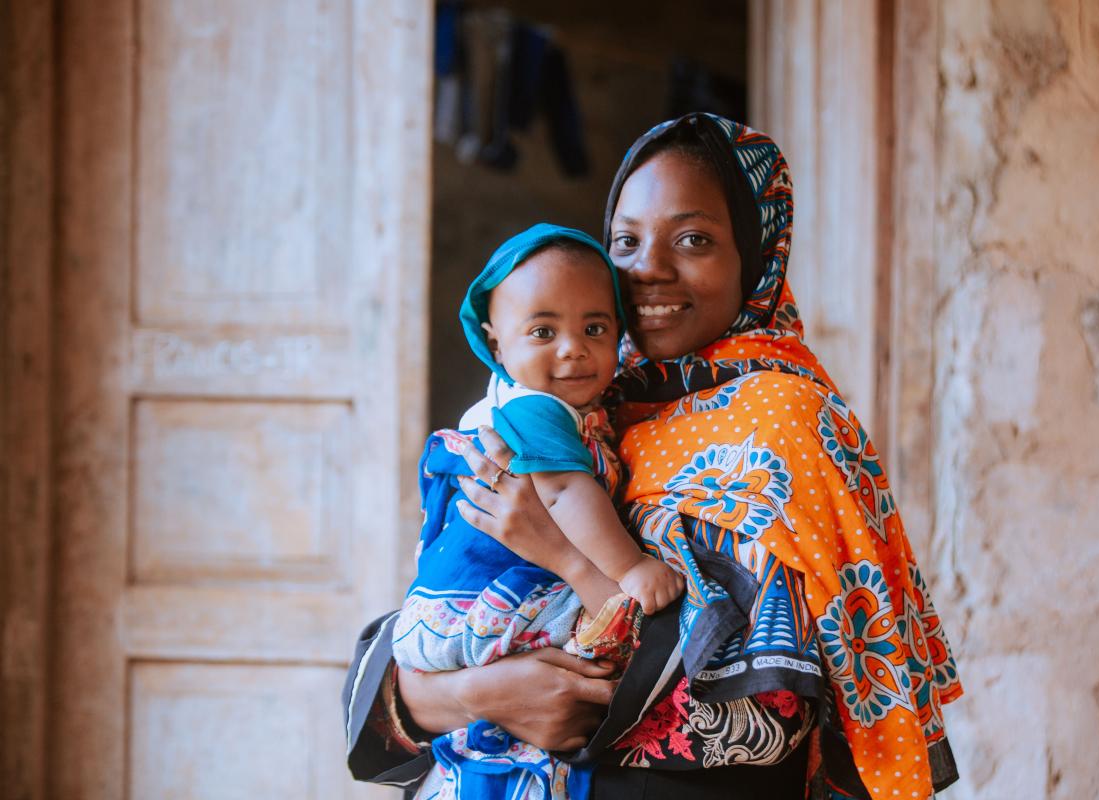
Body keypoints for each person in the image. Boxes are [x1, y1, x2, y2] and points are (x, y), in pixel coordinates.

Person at [344, 114, 963, 800]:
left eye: (694, 239)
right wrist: (473, 692)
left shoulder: (785, 422)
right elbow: (416, 644)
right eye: (627, 241)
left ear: (757, 256)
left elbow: (759, 716)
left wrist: (569, 565)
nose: (650, 269)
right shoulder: (578, 406)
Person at [391, 224, 683, 799]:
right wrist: (630, 569)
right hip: (486, 604)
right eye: (543, 331)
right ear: (495, 341)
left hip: (451, 627)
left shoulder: (554, 404)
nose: (573, 348)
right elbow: (563, 496)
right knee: (600, 656)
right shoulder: (536, 411)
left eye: (594, 328)